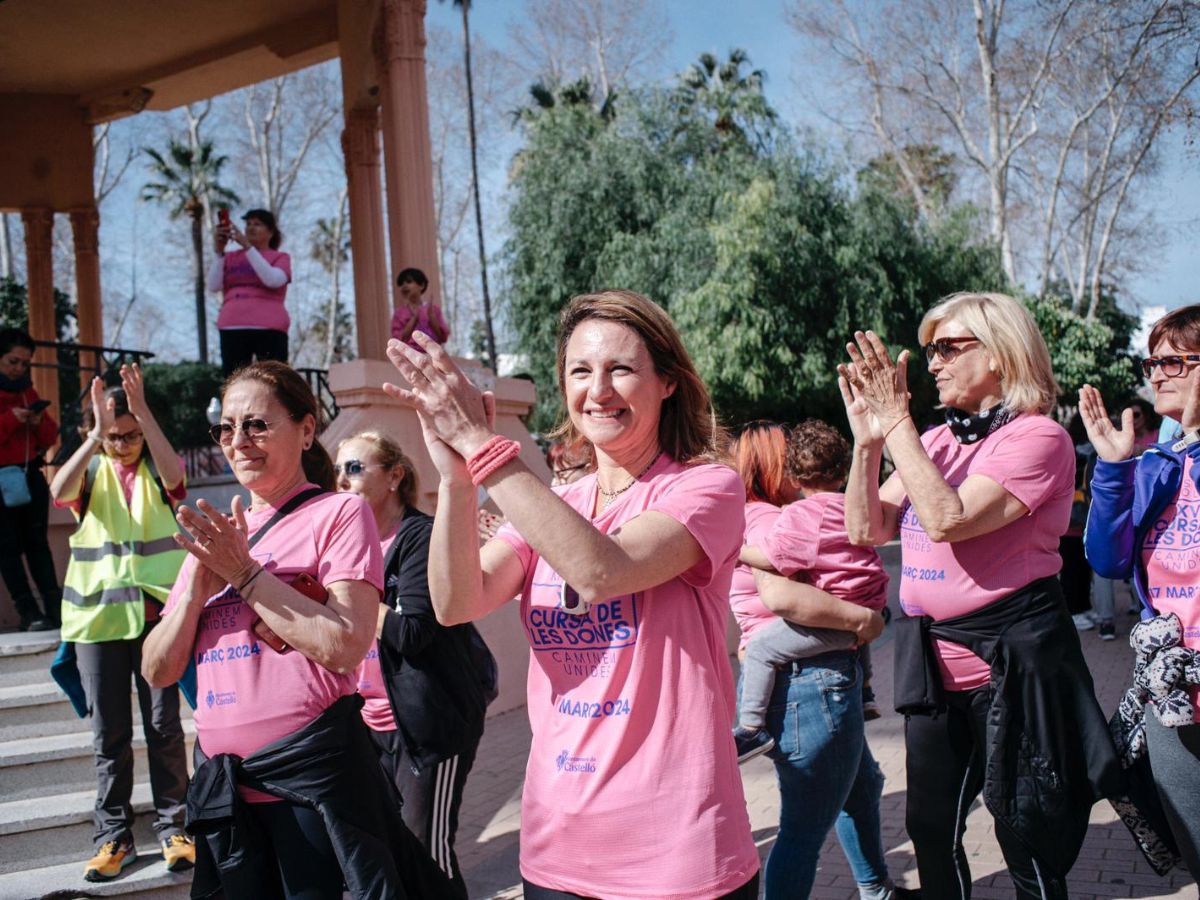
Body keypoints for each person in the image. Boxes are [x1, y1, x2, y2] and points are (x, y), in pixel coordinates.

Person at [384, 290, 761, 899]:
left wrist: (483, 447)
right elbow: (458, 602)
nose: (599, 390)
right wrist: (455, 480)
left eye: (621, 369)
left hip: (675, 851)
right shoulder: (556, 505)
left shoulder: (705, 488)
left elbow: (601, 569)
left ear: (667, 381)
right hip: (559, 847)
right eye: (581, 371)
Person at [839, 291, 1121, 898]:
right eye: (929, 349)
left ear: (999, 353)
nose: (931, 363)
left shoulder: (1038, 438)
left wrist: (896, 425)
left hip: (1012, 668)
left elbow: (946, 518)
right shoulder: (937, 441)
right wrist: (867, 444)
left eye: (946, 347)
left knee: (1026, 831)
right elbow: (866, 530)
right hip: (934, 670)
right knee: (928, 827)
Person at [141, 362, 450, 899]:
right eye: (227, 428)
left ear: (307, 429)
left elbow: (346, 644)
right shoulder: (218, 535)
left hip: (312, 792)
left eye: (258, 425)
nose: (240, 442)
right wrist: (195, 590)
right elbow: (158, 668)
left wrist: (245, 574)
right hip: (229, 796)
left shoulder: (338, 513)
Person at [729, 421, 909, 900]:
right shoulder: (774, 519)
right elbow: (782, 596)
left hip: (815, 674)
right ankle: (748, 729)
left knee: (861, 786)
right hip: (810, 681)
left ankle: (875, 888)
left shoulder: (777, 513)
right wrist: (863, 620)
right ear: (774, 465)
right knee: (804, 830)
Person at [335, 430, 494, 896]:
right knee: (390, 848)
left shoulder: (420, 538)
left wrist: (353, 599)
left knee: (428, 853)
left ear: (394, 476)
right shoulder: (349, 544)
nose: (342, 481)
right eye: (338, 471)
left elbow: (414, 632)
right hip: (369, 723)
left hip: (429, 725)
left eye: (355, 468)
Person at [50, 366, 192, 881]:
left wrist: (145, 412)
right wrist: (92, 433)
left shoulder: (155, 469)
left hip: (155, 617)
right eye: (116, 437)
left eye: (131, 435)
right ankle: (113, 837)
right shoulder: (91, 471)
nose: (124, 444)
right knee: (108, 736)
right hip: (97, 622)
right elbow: (58, 490)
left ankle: (176, 827)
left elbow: (177, 476)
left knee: (163, 727)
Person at [1082, 303, 1200, 880]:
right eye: (1151, 360)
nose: (1154, 373)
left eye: (1172, 361)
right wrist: (1112, 468)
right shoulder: (1156, 464)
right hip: (1169, 692)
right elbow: (1107, 559)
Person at [0, 326, 61, 631]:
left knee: (38, 544)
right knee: (6, 548)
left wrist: (36, 421)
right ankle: (29, 612)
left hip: (30, 476)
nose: (19, 369)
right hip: (2, 480)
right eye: (13, 361)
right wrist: (12, 419)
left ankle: (55, 608)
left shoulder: (27, 391)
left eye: (25, 363)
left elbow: (50, 436)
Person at [208, 208, 292, 376]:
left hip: (270, 327)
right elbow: (213, 285)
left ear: (271, 232)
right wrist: (219, 252)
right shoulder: (230, 257)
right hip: (233, 325)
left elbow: (273, 280)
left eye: (257, 224)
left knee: (274, 380)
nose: (251, 228)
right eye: (248, 224)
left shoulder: (280, 257)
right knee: (235, 381)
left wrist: (247, 247)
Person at [390, 268, 449, 351]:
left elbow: (443, 338)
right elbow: (398, 340)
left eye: (409, 281)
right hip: (410, 356)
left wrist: (432, 318)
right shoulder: (399, 313)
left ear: (421, 285)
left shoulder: (434, 309)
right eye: (401, 284)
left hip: (433, 355)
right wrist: (414, 319)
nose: (404, 286)